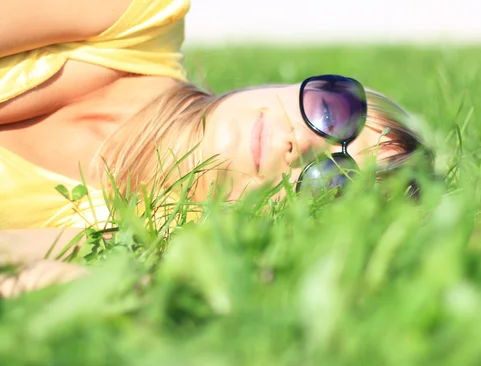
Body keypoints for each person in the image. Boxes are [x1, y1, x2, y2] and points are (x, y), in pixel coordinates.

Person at [0, 0, 430, 295]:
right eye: (333, 112)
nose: (304, 143)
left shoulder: (117, 238)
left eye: (331, 183)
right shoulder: (135, 17)